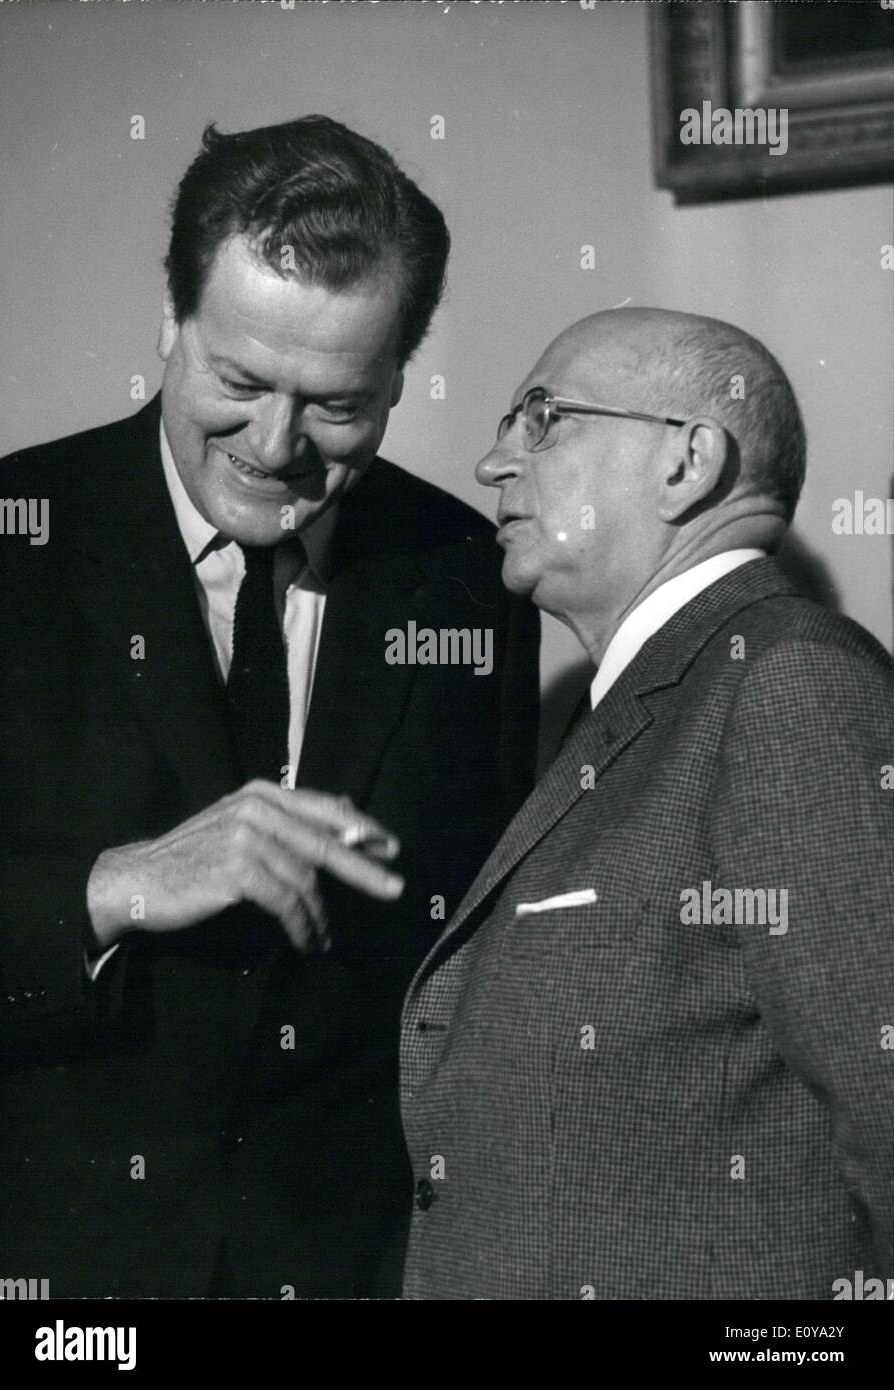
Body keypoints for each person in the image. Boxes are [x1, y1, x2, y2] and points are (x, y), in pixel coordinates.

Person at [0, 115, 539, 1299]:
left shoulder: (469, 575)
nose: (277, 447)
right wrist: (116, 886)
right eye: (239, 381)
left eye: (339, 404)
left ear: (401, 376)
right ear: (169, 323)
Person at [400, 308, 894, 1300]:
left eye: (543, 417)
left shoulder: (788, 680)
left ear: (687, 461)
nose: (496, 461)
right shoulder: (645, 705)